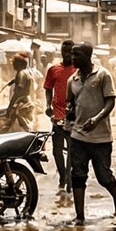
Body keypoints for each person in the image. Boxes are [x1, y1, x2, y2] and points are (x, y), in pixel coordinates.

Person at [64, 43, 116, 224]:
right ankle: (80, 217)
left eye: (76, 55)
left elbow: (110, 101)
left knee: (103, 176)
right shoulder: (72, 80)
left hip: (101, 137)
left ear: (87, 56)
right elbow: (70, 102)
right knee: (78, 176)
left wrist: (97, 119)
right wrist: (68, 111)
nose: (72, 58)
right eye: (72, 55)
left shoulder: (103, 75)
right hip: (78, 136)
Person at [44, 40, 77, 192]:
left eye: (70, 51)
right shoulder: (53, 69)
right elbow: (48, 88)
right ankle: (62, 177)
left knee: (71, 149)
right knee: (57, 150)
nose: (67, 54)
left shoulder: (78, 70)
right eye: (65, 51)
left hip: (73, 116)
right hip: (57, 116)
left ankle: (69, 178)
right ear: (61, 52)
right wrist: (47, 106)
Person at [0, 54, 37, 132]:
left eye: (14, 62)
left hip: (21, 103)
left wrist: (10, 107)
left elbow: (18, 92)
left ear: (19, 63)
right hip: (26, 101)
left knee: (17, 128)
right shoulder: (26, 72)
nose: (13, 64)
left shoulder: (21, 74)